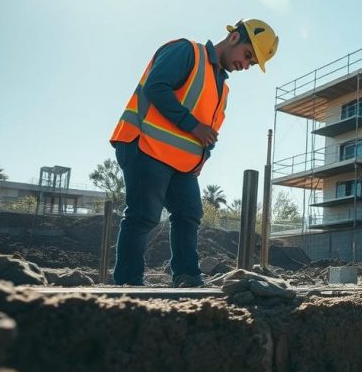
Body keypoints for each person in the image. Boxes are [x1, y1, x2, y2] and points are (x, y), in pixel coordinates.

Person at [108, 19, 278, 287]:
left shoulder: (222, 87)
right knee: (143, 216)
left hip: (181, 163)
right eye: (247, 56)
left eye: (252, 64)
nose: (245, 66)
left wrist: (203, 155)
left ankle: (187, 278)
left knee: (189, 214)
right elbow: (156, 87)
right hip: (145, 145)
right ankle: (127, 286)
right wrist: (192, 126)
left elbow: (209, 131)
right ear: (234, 38)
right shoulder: (188, 52)